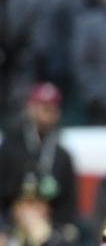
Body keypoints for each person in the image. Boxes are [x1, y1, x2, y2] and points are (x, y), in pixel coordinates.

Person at [0, 84, 77, 230]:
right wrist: (12, 214)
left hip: (49, 227)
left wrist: (48, 212)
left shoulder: (62, 156)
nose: (46, 113)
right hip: (10, 225)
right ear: (30, 108)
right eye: (42, 107)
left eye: (51, 109)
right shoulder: (10, 147)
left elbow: (69, 207)